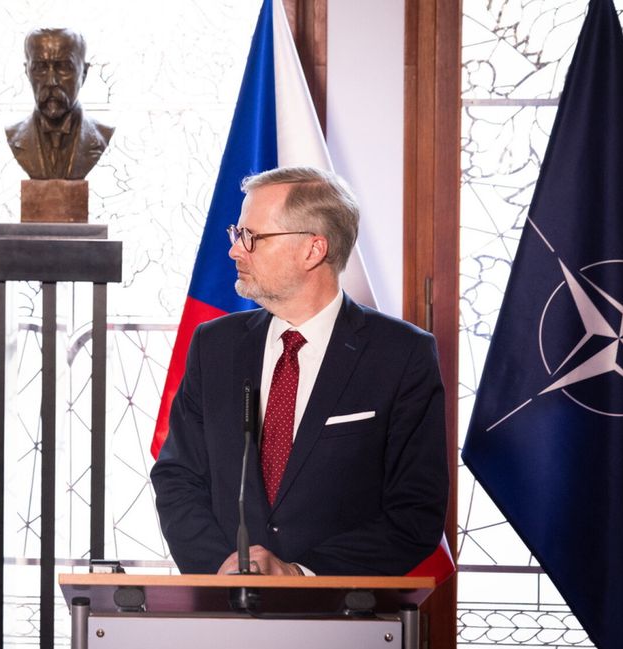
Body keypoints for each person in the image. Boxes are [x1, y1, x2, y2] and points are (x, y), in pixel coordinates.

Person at [152, 166, 447, 576]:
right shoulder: (214, 346)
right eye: (237, 236)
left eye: (251, 238)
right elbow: (177, 478)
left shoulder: (401, 355)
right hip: (224, 611)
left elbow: (415, 515)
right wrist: (224, 568)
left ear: (313, 250)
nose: (236, 251)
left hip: (344, 620)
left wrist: (298, 574)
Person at [4, 28, 114, 180]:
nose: (51, 81)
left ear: (84, 73)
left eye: (63, 67)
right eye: (40, 68)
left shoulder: (102, 135)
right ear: (27, 72)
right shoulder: (13, 136)